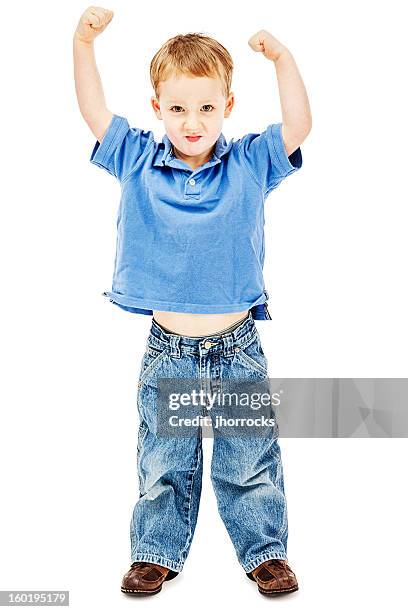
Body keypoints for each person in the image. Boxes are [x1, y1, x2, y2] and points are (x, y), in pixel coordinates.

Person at [73, 6, 312, 597]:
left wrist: (282, 58)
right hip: (168, 351)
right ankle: (154, 552)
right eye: (177, 108)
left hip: (238, 349)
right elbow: (93, 111)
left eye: (206, 106)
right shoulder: (136, 158)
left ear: (227, 106)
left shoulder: (251, 162)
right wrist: (83, 42)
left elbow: (300, 127)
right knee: (164, 462)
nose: (192, 121)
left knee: (247, 460)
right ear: (158, 108)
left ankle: (266, 553)